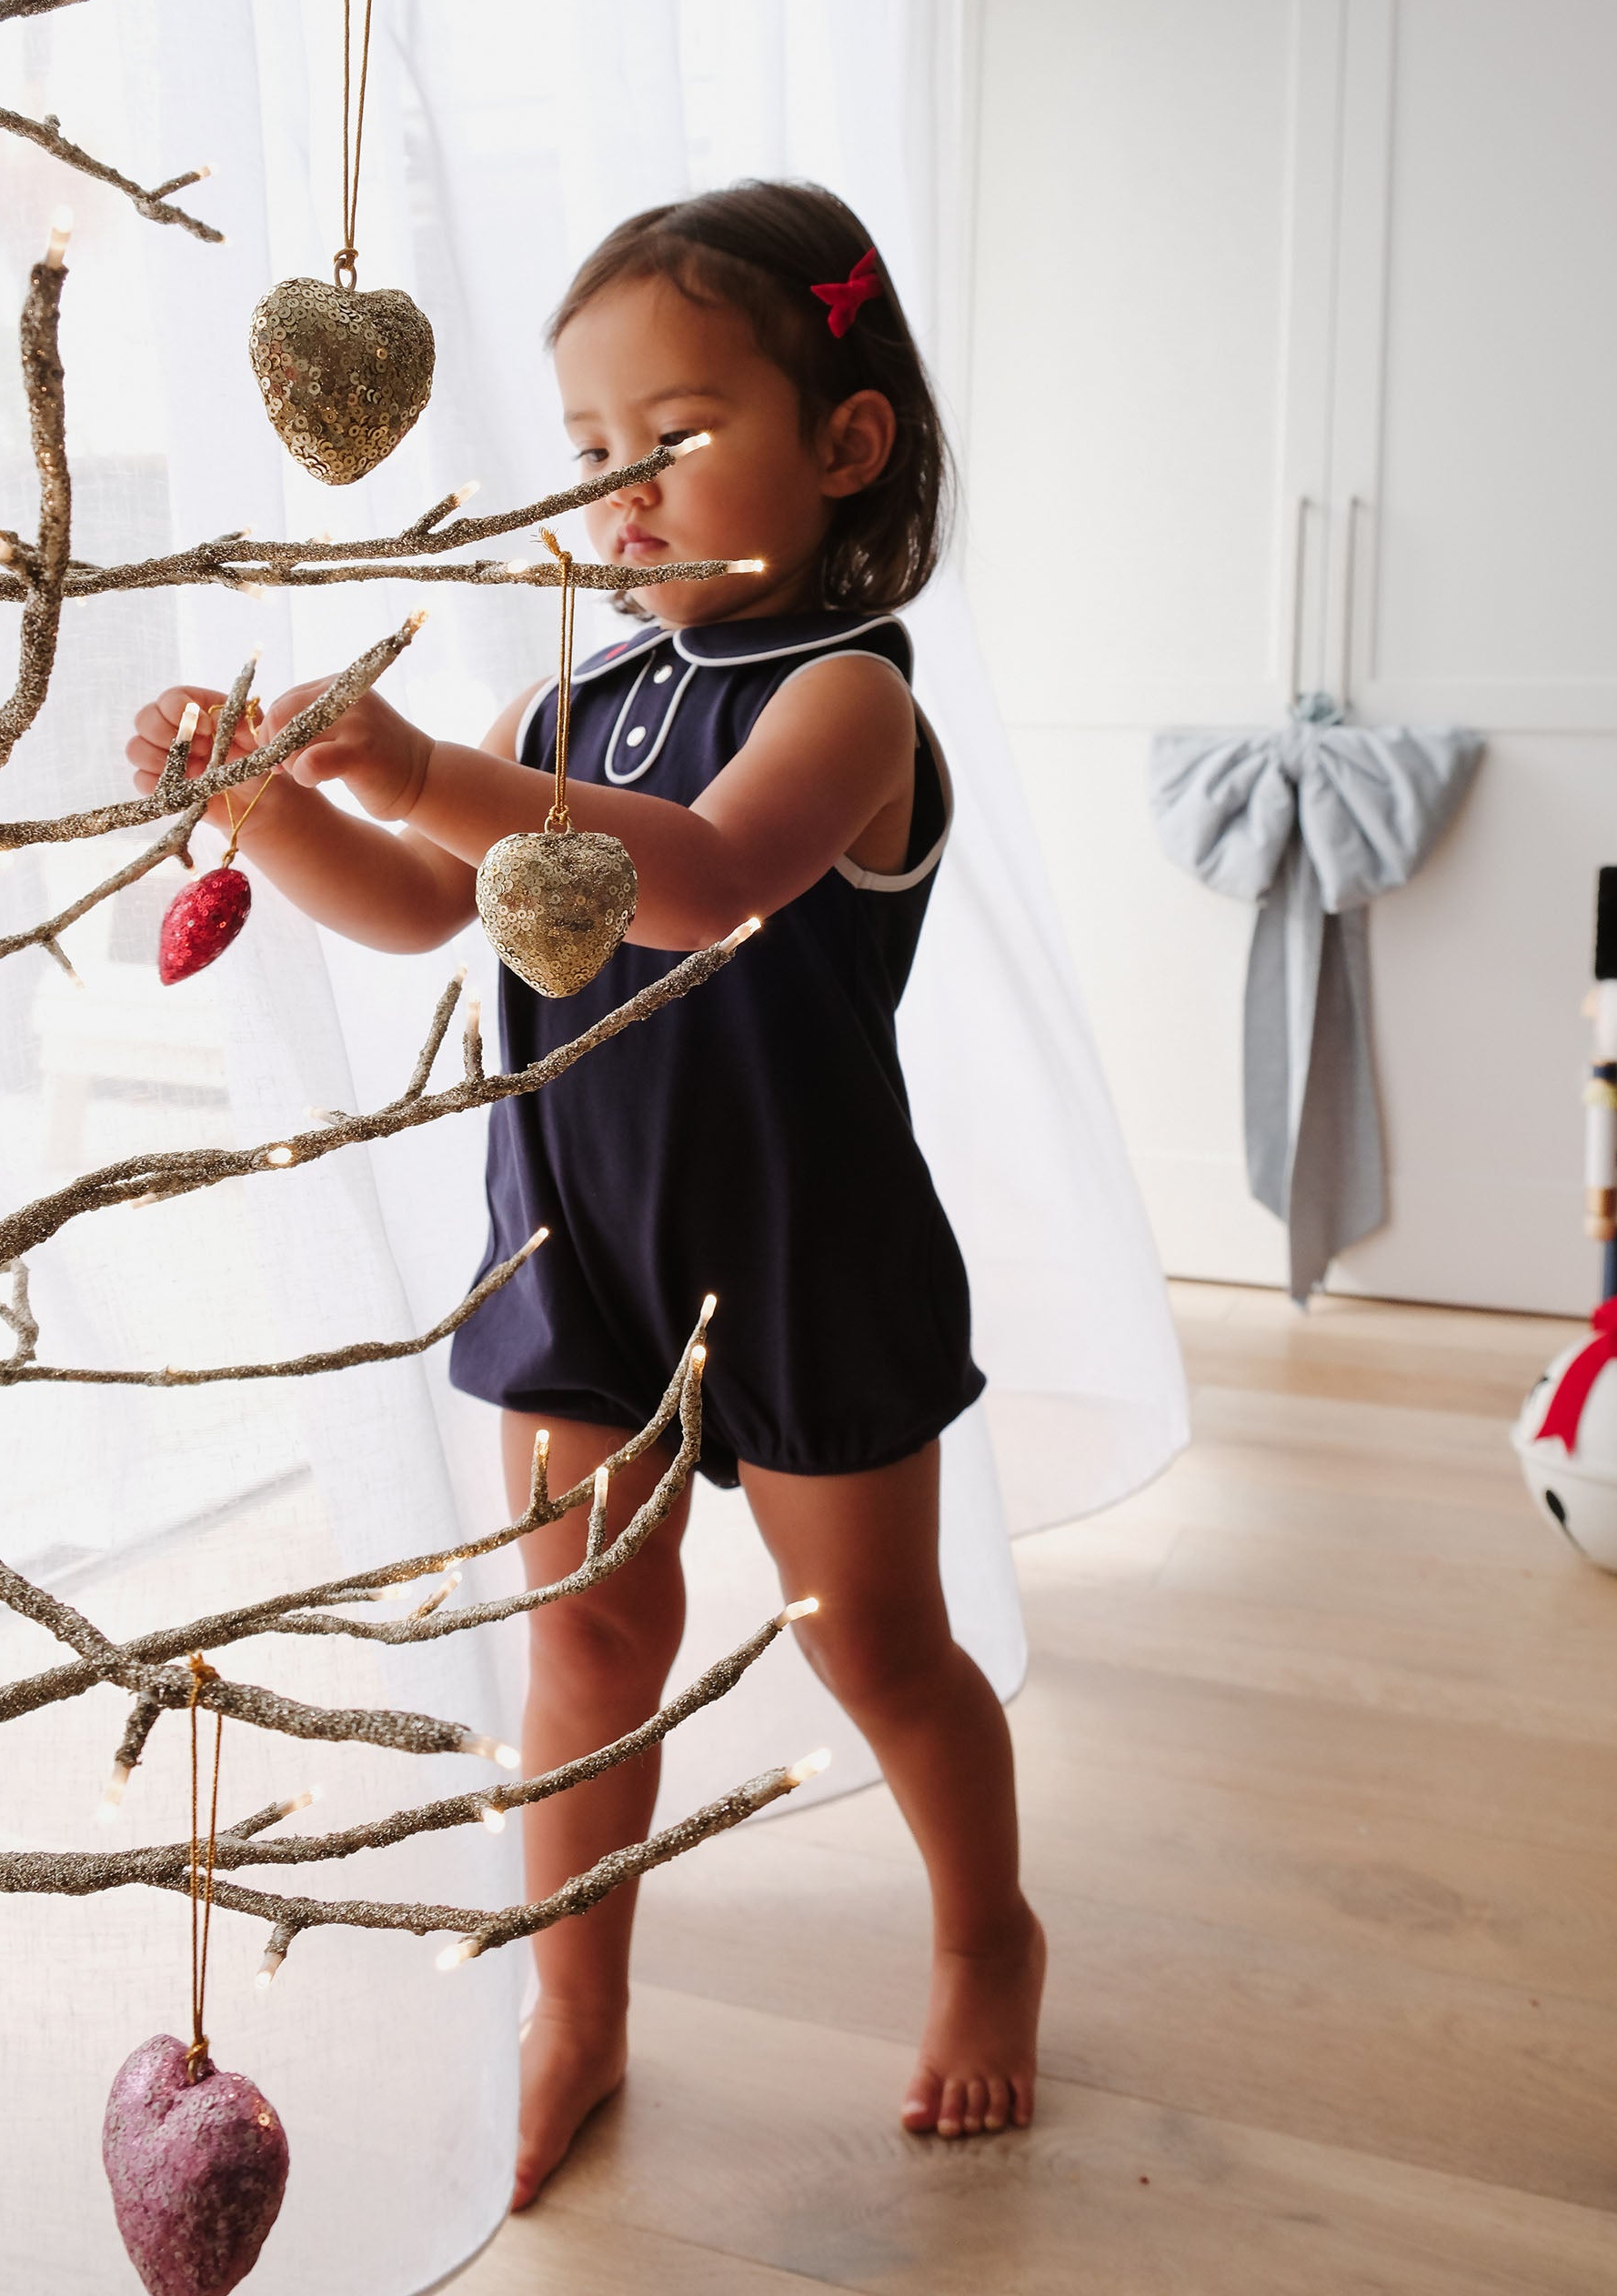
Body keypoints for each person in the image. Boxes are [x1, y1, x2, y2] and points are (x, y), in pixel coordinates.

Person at [127, 179, 1045, 2208]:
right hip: (578, 1236)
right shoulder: (568, 701)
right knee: (586, 1642)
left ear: (843, 443)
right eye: (587, 452)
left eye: (673, 434)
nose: (621, 492)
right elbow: (409, 911)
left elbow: (700, 879)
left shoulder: (846, 697)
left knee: (873, 1643)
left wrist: (409, 760)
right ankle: (578, 2002)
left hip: (805, 1249)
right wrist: (271, 805)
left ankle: (989, 1934)